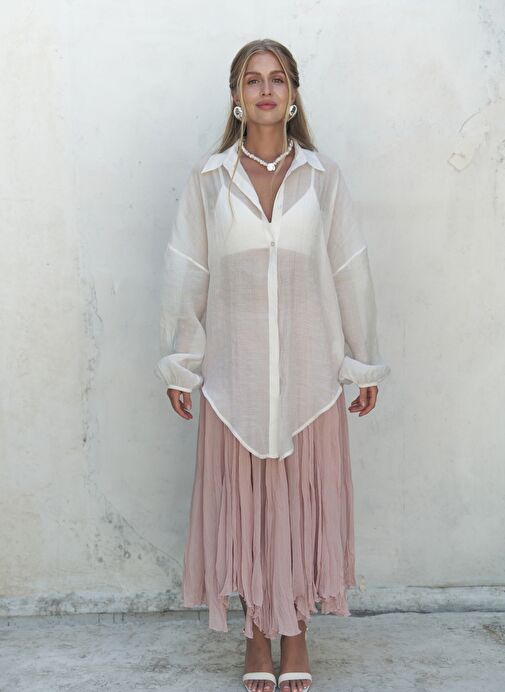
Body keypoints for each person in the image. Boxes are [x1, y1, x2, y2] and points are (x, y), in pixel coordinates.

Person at [155, 38, 391, 692]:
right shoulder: (209, 181)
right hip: (234, 382)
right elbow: (186, 271)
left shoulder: (322, 178)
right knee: (249, 513)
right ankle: (257, 634)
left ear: (292, 96)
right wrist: (181, 363)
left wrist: (362, 362)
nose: (265, 89)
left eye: (278, 78)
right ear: (235, 96)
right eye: (253, 79)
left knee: (298, 512)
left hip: (309, 378)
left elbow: (349, 270)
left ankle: (297, 632)